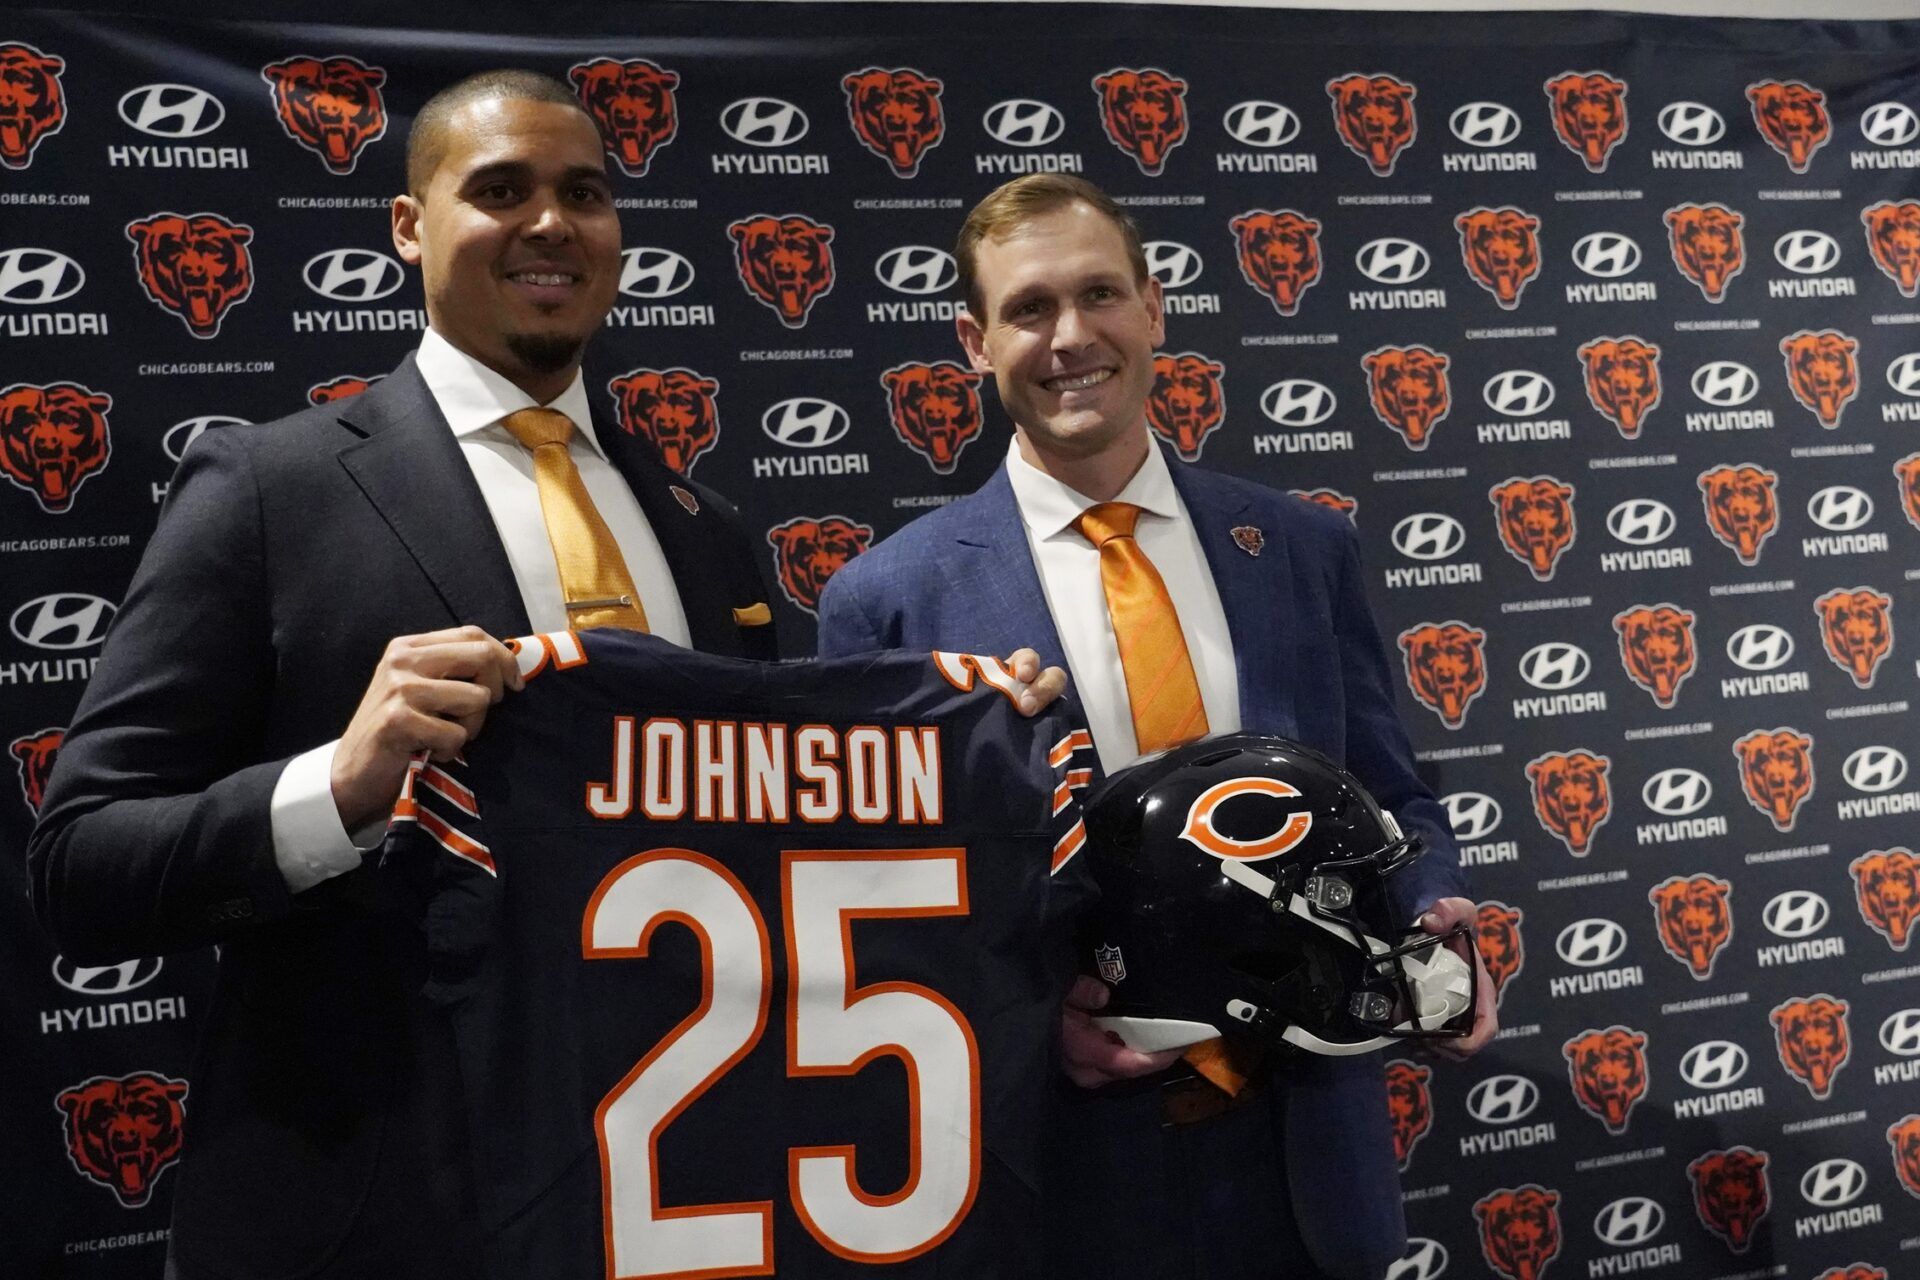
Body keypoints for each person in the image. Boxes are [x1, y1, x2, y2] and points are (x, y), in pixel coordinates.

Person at [26, 71, 784, 1280]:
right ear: (408, 225)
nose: (550, 223)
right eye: (499, 190)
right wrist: (338, 787)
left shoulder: (706, 527)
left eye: (583, 191)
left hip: (674, 1196)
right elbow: (82, 864)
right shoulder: (269, 491)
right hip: (375, 1218)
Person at [815, 174, 1498, 1280]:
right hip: (1064, 1169)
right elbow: (871, 913)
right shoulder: (887, 600)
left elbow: (1391, 792)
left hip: (1312, 1154)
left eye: (1099, 294)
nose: (1071, 335)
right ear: (972, 341)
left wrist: (1436, 911)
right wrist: (1028, 1024)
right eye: (1028, 307)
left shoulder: (1304, 550)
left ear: (1154, 306)